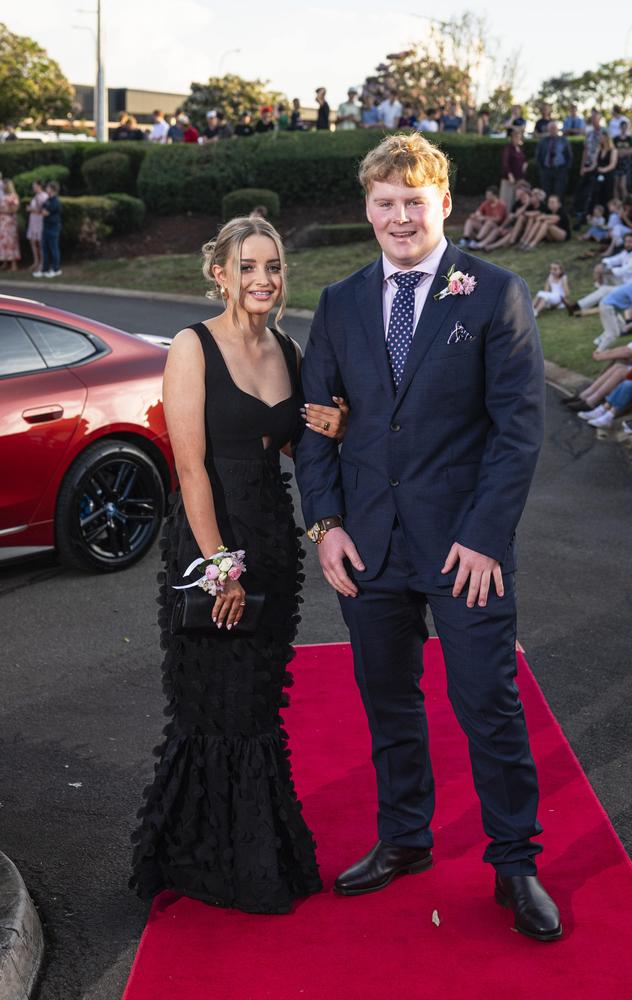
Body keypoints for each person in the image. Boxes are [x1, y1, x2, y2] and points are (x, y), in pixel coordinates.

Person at [295, 132, 561, 942]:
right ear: (367, 209)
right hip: (369, 546)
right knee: (388, 702)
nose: (400, 217)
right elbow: (315, 427)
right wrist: (327, 525)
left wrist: (484, 537)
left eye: (415, 201)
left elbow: (518, 431)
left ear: (444, 203)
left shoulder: (494, 292)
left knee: (488, 702)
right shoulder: (339, 303)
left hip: (465, 550)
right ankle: (405, 839)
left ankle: (515, 863)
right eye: (385, 203)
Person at [130, 216, 349, 914]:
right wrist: (220, 566)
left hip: (274, 546)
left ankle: (249, 851)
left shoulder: (286, 346)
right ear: (218, 273)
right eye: (247, 267)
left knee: (255, 705)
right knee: (209, 704)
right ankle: (198, 858)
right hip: (210, 547)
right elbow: (190, 468)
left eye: (273, 267)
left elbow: (287, 443)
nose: (263, 279)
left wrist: (331, 427)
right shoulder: (192, 349)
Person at [563, 312, 632, 412]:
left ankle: (592, 401)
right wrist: (605, 353)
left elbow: (628, 353)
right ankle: (586, 395)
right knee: (618, 364)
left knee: (620, 369)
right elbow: (624, 348)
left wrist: (602, 356)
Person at [564, 233, 632, 315]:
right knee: (604, 273)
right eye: (626, 241)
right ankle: (599, 300)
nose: (627, 244)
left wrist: (605, 270)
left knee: (604, 288)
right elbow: (614, 259)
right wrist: (603, 265)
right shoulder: (626, 252)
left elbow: (624, 270)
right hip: (627, 282)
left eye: (630, 241)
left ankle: (576, 306)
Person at [593, 272, 632, 351]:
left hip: (611, 308)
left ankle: (599, 341)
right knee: (613, 333)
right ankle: (599, 351)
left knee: (622, 328)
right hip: (608, 308)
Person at [573, 110, 604, 225]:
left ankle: (591, 214)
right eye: (592, 119)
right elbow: (585, 151)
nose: (594, 120)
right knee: (582, 190)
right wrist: (582, 166)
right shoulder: (589, 134)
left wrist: (592, 166)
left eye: (595, 118)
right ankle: (580, 213)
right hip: (587, 166)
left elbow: (601, 150)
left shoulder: (604, 132)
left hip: (598, 167)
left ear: (599, 119)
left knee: (593, 192)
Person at [535, 121, 572, 199]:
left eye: (554, 128)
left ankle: (558, 210)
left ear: (557, 129)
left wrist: (565, 169)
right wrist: (542, 169)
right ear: (548, 130)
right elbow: (538, 156)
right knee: (546, 193)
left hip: (560, 171)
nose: (552, 130)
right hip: (546, 171)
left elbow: (569, 156)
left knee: (559, 194)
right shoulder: (543, 141)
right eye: (551, 128)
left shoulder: (563, 140)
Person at [38, 180, 62, 278]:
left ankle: (56, 269)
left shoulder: (55, 201)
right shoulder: (48, 200)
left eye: (48, 187)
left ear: (52, 189)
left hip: (53, 228)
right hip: (46, 227)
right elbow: (41, 210)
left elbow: (46, 212)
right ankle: (45, 269)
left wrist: (44, 211)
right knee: (45, 249)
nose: (46, 189)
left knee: (53, 249)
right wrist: (43, 211)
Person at [500, 128, 527, 210]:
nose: (518, 139)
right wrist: (509, 175)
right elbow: (505, 163)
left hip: (519, 177)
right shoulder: (508, 148)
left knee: (516, 199)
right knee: (507, 198)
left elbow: (523, 160)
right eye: (516, 137)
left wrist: (525, 165)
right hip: (510, 178)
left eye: (519, 137)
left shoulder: (520, 149)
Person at [26, 178, 48, 273]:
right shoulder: (35, 196)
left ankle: (43, 262)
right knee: (33, 242)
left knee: (40, 243)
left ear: (39, 186)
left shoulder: (43, 196)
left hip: (40, 222)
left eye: (34, 186)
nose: (33, 188)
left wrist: (31, 209)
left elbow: (42, 210)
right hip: (33, 221)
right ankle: (36, 261)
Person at [0, 179, 20, 272]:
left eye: (4, 185)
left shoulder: (13, 196)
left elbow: (14, 210)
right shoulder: (4, 196)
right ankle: (5, 262)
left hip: (9, 222)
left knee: (11, 242)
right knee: (3, 242)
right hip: (2, 222)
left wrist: (3, 211)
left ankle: (13, 264)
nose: (2, 186)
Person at [613, 121, 632, 200]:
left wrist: (620, 151)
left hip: (626, 164)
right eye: (622, 127)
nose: (624, 129)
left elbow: (631, 151)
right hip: (616, 163)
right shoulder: (616, 139)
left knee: (622, 185)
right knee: (616, 185)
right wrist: (624, 151)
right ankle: (616, 203)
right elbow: (614, 150)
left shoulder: (629, 139)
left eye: (625, 127)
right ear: (620, 127)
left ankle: (626, 203)